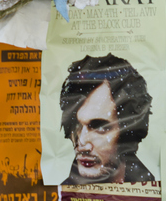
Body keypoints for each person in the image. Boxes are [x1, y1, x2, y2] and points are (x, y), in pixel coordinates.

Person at [59, 54, 155, 185]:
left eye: (99, 127)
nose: (81, 144)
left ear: (128, 130)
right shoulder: (59, 198)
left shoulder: (154, 190)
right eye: (76, 125)